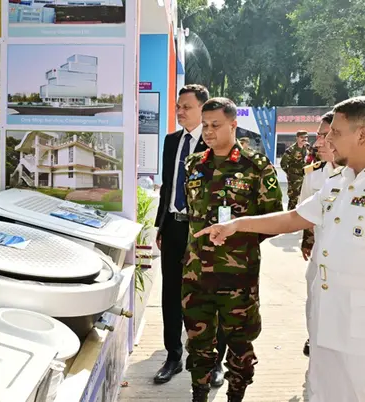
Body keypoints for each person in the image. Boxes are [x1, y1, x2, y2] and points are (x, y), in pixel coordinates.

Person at [195, 96, 365, 402]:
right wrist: (238, 225)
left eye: (334, 132)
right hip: (325, 316)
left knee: (360, 394)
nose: (327, 139)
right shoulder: (338, 181)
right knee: (321, 391)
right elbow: (295, 217)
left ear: (361, 134)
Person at [182, 97, 282, 402]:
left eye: (216, 125)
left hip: (237, 279)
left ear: (233, 124)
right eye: (205, 125)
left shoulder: (256, 167)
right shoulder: (194, 165)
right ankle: (198, 394)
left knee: (240, 346)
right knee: (198, 344)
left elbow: (273, 219)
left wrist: (238, 239)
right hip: (196, 275)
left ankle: (235, 396)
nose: (208, 132)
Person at [153, 84, 228, 386]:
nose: (180, 111)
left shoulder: (216, 144)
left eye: (186, 106)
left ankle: (215, 362)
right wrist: (161, 225)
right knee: (171, 294)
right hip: (173, 227)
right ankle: (173, 357)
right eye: (177, 106)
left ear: (202, 108)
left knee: (210, 296)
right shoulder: (171, 141)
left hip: (204, 233)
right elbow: (167, 187)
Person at [297, 111, 337, 357]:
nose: (317, 142)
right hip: (319, 255)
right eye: (317, 135)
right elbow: (302, 215)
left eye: (324, 135)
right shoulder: (315, 173)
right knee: (314, 303)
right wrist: (307, 241)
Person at [279, 130, 308, 209]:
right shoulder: (291, 150)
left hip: (305, 177)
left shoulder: (307, 147)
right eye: (302, 137)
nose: (304, 139)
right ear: (297, 138)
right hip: (294, 179)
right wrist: (290, 174)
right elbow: (283, 164)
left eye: (306, 137)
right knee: (293, 199)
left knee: (303, 198)